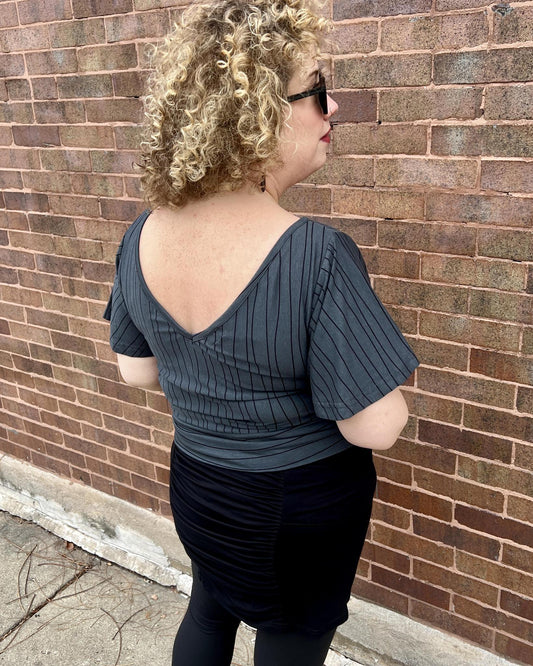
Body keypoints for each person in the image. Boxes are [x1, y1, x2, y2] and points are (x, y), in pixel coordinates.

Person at [103, 1, 419, 664]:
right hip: (295, 515)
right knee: (291, 640)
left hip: (200, 487)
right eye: (318, 91)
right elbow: (377, 427)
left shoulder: (142, 234)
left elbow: (137, 370)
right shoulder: (315, 255)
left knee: (208, 609)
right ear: (260, 113)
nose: (332, 108)